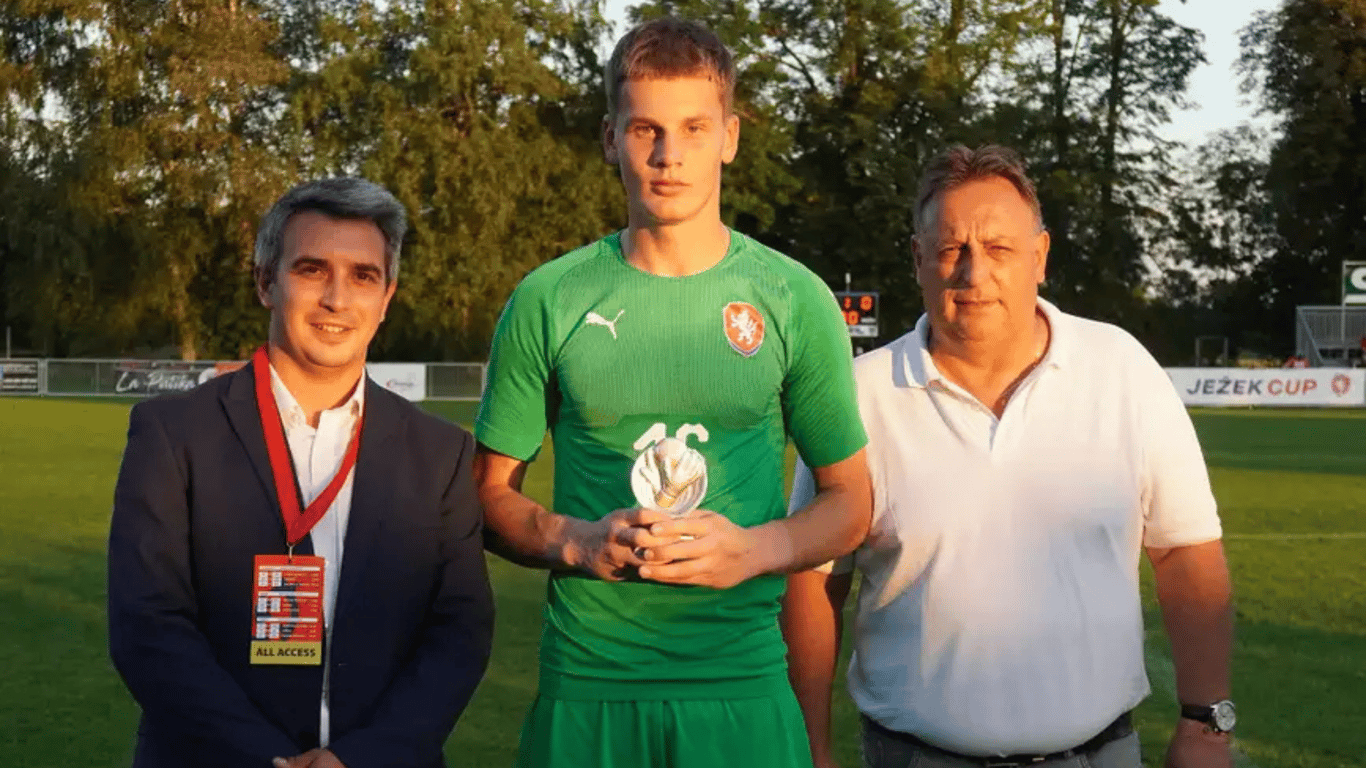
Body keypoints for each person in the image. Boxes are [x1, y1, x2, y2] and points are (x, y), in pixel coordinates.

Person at [473, 16, 872, 768]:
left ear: (730, 135)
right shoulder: (547, 298)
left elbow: (851, 502)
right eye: (644, 129)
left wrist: (758, 549)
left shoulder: (794, 298)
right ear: (609, 137)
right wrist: (577, 540)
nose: (668, 155)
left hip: (743, 686)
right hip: (588, 688)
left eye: (693, 127)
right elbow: (490, 498)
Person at [783, 145, 1235, 768]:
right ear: (918, 259)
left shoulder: (1121, 369)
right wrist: (808, 747)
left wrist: (1207, 722)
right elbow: (812, 585)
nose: (975, 275)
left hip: (1099, 756)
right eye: (951, 250)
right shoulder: (861, 395)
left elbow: (1187, 553)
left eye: (999, 250)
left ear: (1040, 257)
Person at [107, 178, 495, 768]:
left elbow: (459, 633)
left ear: (387, 297)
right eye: (312, 269)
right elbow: (148, 626)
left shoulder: (439, 453)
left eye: (363, 276)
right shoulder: (173, 434)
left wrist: (359, 758)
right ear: (266, 282)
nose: (337, 299)